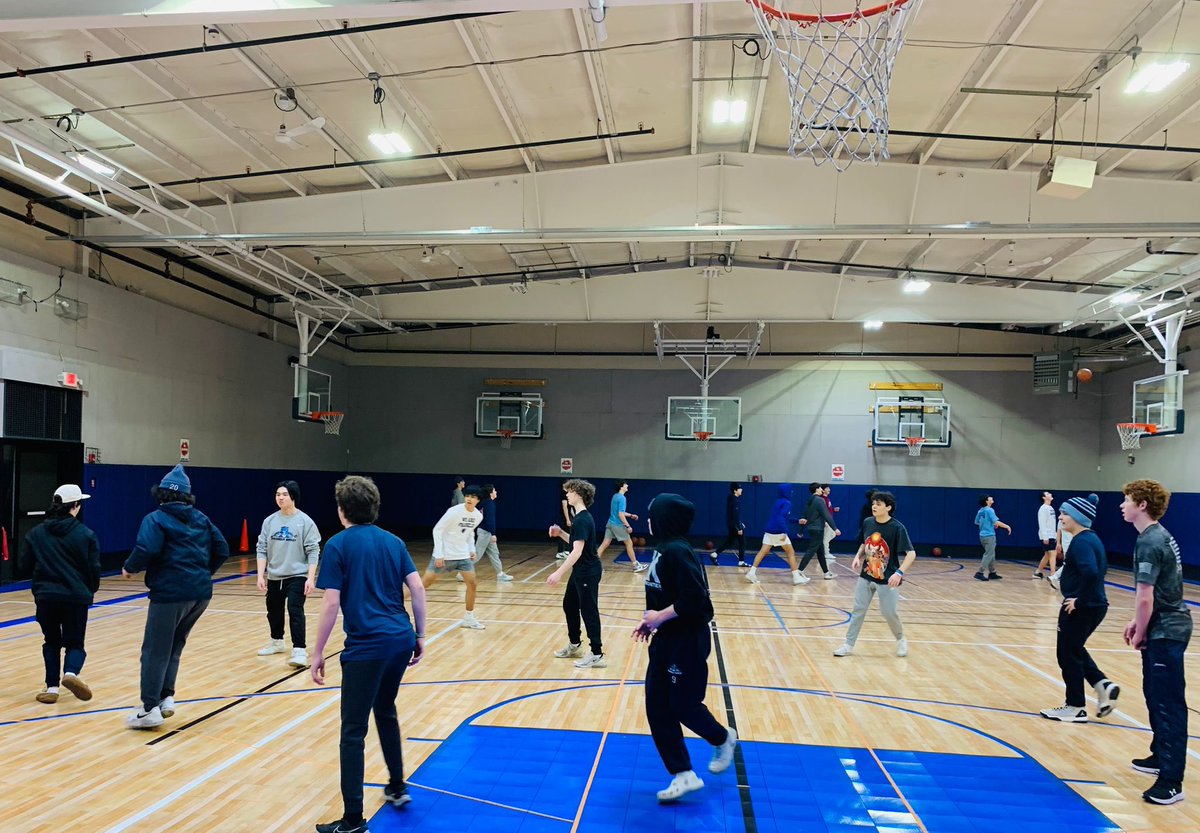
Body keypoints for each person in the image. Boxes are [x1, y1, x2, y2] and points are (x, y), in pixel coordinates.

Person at [312, 475, 427, 833]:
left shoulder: (337, 545)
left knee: (352, 731)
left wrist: (316, 653)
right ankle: (396, 786)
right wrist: (419, 635)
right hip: (400, 639)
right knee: (385, 708)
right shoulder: (393, 542)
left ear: (342, 509)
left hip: (367, 647)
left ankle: (352, 820)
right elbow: (418, 588)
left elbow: (331, 603)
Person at [633, 493, 738, 803]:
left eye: (653, 514)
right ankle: (683, 774)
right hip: (665, 638)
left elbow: (696, 600)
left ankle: (723, 737)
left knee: (683, 704)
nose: (648, 519)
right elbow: (662, 594)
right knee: (656, 706)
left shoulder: (678, 551)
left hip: (687, 640)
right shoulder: (662, 549)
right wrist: (651, 622)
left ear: (664, 519)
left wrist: (660, 616)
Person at [122, 465, 229, 729]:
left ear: (162, 494)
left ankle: (149, 708)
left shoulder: (155, 519)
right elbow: (222, 548)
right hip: (200, 594)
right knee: (174, 646)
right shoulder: (202, 518)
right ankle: (166, 697)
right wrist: (204, 573)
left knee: (154, 650)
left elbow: (146, 547)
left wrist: (130, 567)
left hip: (170, 593)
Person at [1121, 479, 1191, 806]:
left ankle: (1172, 780)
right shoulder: (1155, 537)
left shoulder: (1150, 542)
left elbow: (1146, 596)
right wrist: (1139, 622)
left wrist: (1141, 627)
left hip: (1168, 630)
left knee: (1168, 702)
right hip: (1163, 625)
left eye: (1127, 499)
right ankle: (1160, 755)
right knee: (1154, 693)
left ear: (1142, 505)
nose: (1122, 505)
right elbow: (1162, 590)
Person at [1039, 494, 1119, 723]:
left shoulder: (1081, 542)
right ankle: (1103, 685)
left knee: (1067, 654)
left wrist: (1079, 600)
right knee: (1074, 650)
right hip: (1092, 605)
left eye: (1064, 514)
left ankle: (1075, 706)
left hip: (1081, 607)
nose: (1061, 517)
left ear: (1077, 517)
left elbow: (1091, 572)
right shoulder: (1090, 539)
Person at [19, 484, 100, 705]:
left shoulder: (35, 534)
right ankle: (71, 674)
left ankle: (52, 687)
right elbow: (93, 569)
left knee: (51, 641)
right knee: (75, 642)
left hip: (46, 597)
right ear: (75, 506)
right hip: (75, 596)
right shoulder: (86, 535)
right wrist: (90, 590)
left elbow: (24, 568)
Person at [833, 491, 915, 658]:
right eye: (873, 503)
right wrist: (858, 556)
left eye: (878, 504)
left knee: (888, 613)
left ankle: (901, 639)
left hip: (888, 579)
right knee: (858, 610)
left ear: (888, 507)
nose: (874, 506)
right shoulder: (868, 522)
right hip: (866, 576)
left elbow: (911, 553)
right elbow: (865, 543)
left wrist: (899, 573)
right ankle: (848, 644)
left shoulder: (897, 527)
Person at [255, 480, 322, 668]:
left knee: (295, 610)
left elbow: (313, 551)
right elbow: (262, 548)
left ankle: (299, 650)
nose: (281, 498)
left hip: (298, 575)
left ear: (293, 496)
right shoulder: (269, 521)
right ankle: (277, 641)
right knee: (273, 610)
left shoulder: (305, 521)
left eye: (284, 494)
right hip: (275, 575)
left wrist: (310, 577)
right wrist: (261, 575)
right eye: (278, 494)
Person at [548, 479, 606, 668]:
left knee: (589, 610)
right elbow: (576, 542)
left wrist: (559, 573)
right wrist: (561, 534)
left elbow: (577, 551)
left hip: (587, 572)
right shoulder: (580, 518)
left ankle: (597, 654)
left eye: (570, 491)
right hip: (581, 571)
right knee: (569, 605)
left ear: (579, 494)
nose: (567, 494)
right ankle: (575, 644)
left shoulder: (582, 519)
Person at [422, 485, 485, 630]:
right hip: (445, 555)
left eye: (473, 497)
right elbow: (437, 530)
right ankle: (391, 606)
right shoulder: (454, 511)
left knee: (472, 583)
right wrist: (439, 554)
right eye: (468, 495)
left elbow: (470, 532)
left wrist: (471, 549)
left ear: (478, 500)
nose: (469, 499)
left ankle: (469, 618)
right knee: (423, 584)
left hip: (463, 556)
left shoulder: (477, 516)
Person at [745, 484, 803, 586]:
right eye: (791, 490)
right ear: (787, 491)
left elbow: (783, 517)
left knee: (763, 551)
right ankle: (796, 577)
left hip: (769, 530)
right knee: (790, 552)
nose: (792, 492)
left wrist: (797, 521)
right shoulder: (787, 503)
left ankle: (751, 573)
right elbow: (781, 518)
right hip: (778, 531)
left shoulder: (778, 502)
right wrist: (784, 531)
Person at [596, 480, 643, 572]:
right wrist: (628, 526)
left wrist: (630, 515)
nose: (627, 485)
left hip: (610, 523)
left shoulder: (615, 496)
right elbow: (620, 514)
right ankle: (635, 565)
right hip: (617, 525)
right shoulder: (622, 498)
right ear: (621, 487)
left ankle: (593, 565)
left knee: (605, 544)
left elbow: (619, 512)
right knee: (629, 543)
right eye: (626, 484)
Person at [797, 482, 839, 581]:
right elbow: (826, 515)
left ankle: (826, 573)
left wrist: (801, 530)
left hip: (811, 528)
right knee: (811, 551)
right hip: (818, 529)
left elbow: (805, 516)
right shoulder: (819, 500)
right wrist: (835, 528)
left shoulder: (810, 500)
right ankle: (799, 571)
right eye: (820, 488)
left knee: (820, 552)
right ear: (817, 489)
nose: (821, 490)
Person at [474, 484, 512, 581]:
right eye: (494, 490)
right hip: (485, 532)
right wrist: (493, 534)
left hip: (486, 532)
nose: (496, 492)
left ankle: (500, 574)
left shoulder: (484, 503)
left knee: (494, 553)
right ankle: (462, 574)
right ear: (490, 493)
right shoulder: (489, 504)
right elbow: (490, 521)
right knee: (477, 555)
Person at [974, 495, 1012, 581]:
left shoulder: (981, 511)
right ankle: (980, 572)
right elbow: (996, 521)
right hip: (989, 535)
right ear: (987, 501)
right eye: (990, 498)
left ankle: (992, 572)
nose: (992, 499)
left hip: (982, 536)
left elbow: (976, 522)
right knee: (989, 554)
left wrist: (988, 524)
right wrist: (1007, 526)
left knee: (991, 554)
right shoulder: (990, 510)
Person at [711, 482, 746, 567]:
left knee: (729, 542)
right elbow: (734, 515)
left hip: (732, 524)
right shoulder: (734, 500)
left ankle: (715, 554)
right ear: (735, 490)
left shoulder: (732, 498)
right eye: (739, 488)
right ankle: (741, 562)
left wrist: (740, 523)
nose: (741, 490)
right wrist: (739, 528)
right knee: (742, 543)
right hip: (734, 526)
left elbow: (733, 515)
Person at [555, 479, 575, 561]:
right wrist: (567, 519)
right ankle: (563, 551)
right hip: (564, 517)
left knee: (565, 533)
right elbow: (565, 507)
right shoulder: (563, 494)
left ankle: (564, 551)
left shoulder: (567, 494)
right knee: (565, 533)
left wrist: (574, 516)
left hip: (568, 516)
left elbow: (570, 508)